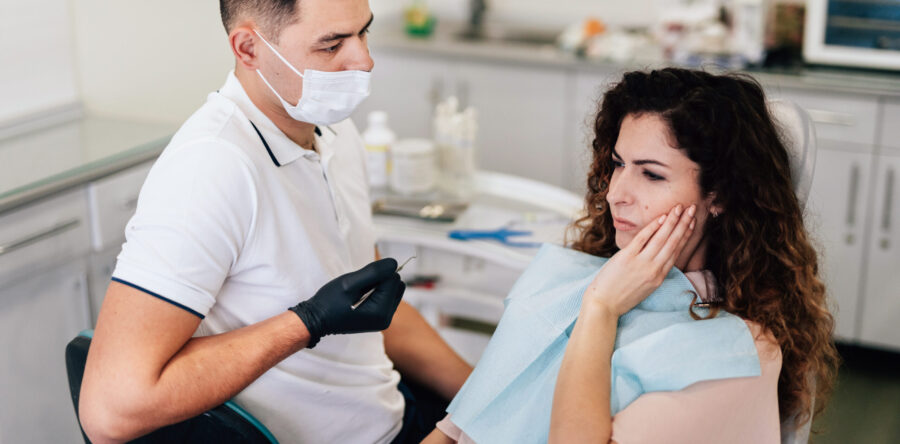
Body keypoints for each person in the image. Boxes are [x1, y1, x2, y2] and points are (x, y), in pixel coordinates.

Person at [78, 1, 472, 443]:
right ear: (248, 48)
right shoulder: (211, 169)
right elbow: (111, 409)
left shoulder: (335, 132)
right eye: (332, 44)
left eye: (364, 32)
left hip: (390, 416)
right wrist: (307, 322)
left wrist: (480, 395)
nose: (364, 60)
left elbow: (376, 307)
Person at [425, 68, 839, 443]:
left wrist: (600, 309)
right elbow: (456, 426)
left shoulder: (738, 353)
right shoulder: (572, 274)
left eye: (652, 174)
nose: (616, 193)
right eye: (619, 164)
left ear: (721, 195)